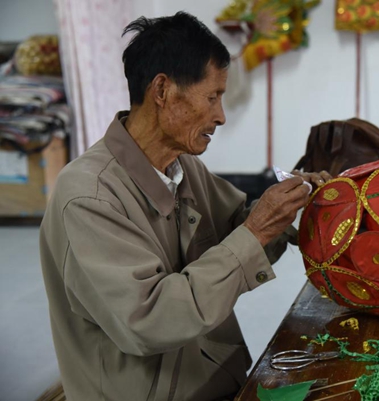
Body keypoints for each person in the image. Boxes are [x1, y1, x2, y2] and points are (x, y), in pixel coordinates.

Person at [39, 11, 331, 401]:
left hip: (213, 380)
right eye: (212, 97)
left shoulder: (183, 167)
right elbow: (150, 321)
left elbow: (239, 232)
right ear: (162, 90)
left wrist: (292, 208)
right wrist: (258, 228)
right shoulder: (88, 197)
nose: (221, 116)